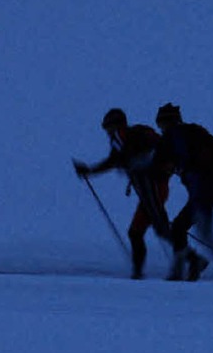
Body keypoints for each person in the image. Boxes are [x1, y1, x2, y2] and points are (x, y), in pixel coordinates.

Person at [73, 108, 173, 280]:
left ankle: (190, 260)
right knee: (136, 232)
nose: (107, 132)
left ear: (115, 125)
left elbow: (113, 161)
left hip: (152, 188)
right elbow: (115, 161)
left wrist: (89, 171)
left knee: (158, 227)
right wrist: (91, 170)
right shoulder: (130, 138)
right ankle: (139, 271)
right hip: (153, 188)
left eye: (107, 127)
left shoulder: (121, 136)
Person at [153, 103, 213, 283]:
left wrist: (190, 171)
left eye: (161, 122)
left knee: (202, 232)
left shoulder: (175, 138)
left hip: (202, 190)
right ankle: (198, 266)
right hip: (207, 189)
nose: (161, 127)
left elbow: (159, 164)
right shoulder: (192, 133)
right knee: (182, 228)